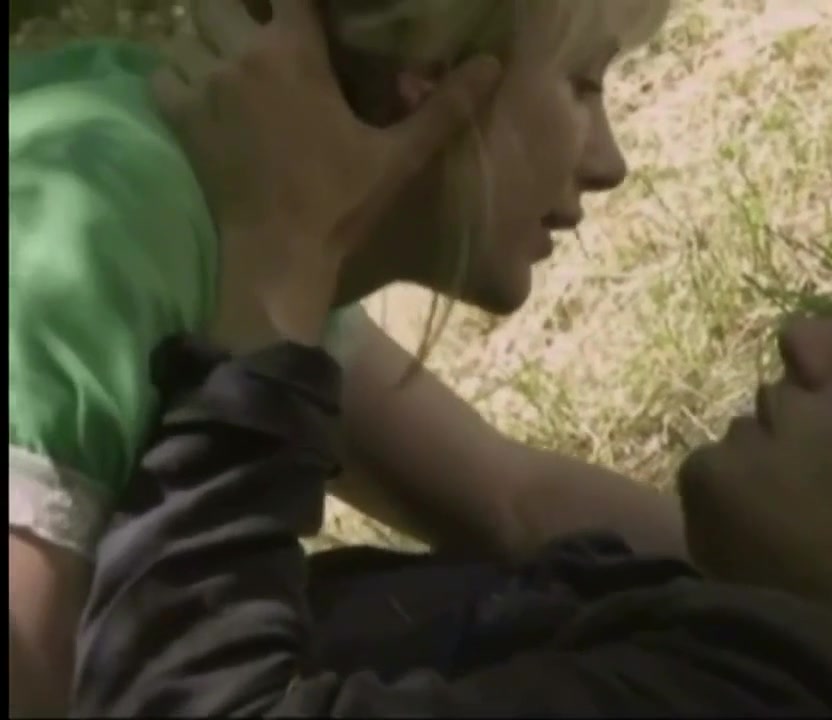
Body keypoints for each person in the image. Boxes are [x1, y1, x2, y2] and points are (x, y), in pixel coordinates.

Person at [73, 195, 832, 716]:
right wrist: (269, 222)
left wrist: (267, 274)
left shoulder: (755, 701)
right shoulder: (787, 619)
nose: (807, 340)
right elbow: (506, 494)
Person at [9, 0, 682, 714]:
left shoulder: (236, 208)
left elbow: (511, 504)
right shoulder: (104, 229)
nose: (609, 163)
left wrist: (768, 587)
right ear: (430, 73)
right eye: (583, 83)